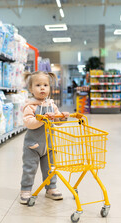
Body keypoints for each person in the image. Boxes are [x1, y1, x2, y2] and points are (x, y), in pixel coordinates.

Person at [20, 71, 69, 204]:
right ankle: (25, 189)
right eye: (38, 85)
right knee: (29, 168)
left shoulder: (52, 105)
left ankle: (51, 188)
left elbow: (58, 121)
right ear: (30, 89)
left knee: (51, 168)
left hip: (49, 145)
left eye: (46, 85)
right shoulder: (30, 106)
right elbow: (29, 123)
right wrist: (42, 120)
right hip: (33, 146)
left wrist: (62, 117)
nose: (42, 88)